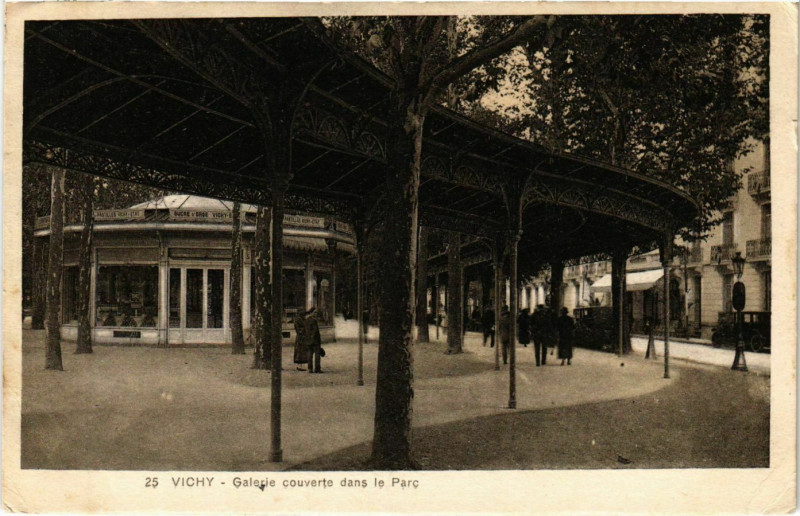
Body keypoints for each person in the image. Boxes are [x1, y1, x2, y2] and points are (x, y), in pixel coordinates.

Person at [305, 307, 323, 373]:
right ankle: (317, 369)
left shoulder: (306, 320)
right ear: (311, 312)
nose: (316, 314)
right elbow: (315, 331)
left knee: (309, 355)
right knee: (317, 355)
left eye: (316, 312)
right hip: (315, 341)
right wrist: (316, 339)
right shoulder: (314, 320)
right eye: (314, 312)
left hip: (308, 340)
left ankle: (310, 368)